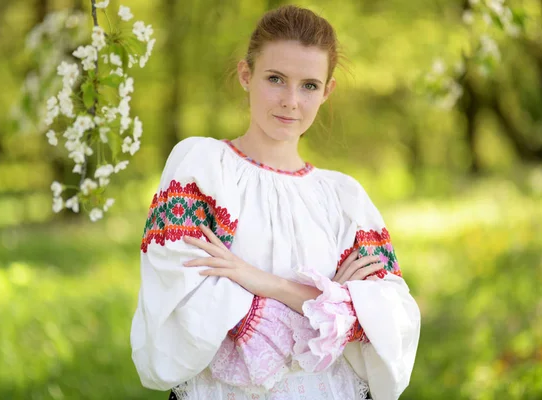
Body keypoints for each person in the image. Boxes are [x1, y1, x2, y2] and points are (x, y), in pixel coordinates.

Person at [130, 4, 421, 400]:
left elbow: (390, 316)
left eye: (309, 85)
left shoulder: (343, 199)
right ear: (245, 75)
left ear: (327, 91)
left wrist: (258, 280)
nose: (291, 101)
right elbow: (183, 292)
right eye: (275, 79)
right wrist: (327, 299)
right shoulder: (204, 170)